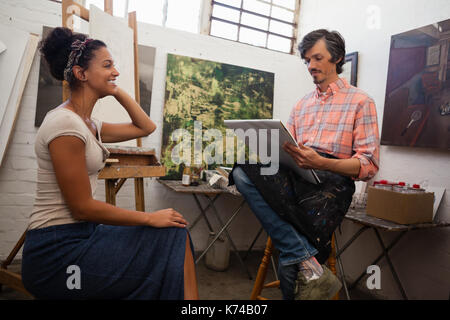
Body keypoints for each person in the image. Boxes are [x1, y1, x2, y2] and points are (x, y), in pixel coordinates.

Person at [21, 27, 199, 300]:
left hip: (81, 235)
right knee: (170, 237)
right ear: (82, 74)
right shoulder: (64, 123)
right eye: (107, 66)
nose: (115, 72)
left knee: (175, 233)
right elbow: (81, 208)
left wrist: (118, 92)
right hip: (56, 252)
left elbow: (145, 127)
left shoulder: (89, 124)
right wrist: (150, 217)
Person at [230, 29, 380, 300]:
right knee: (241, 171)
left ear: (338, 58)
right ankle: (303, 255)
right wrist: (277, 151)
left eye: (317, 58)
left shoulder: (361, 101)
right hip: (298, 175)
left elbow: (368, 165)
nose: (311, 66)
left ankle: (298, 253)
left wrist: (322, 162)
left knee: (293, 245)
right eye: (307, 61)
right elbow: (292, 150)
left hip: (333, 184)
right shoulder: (301, 106)